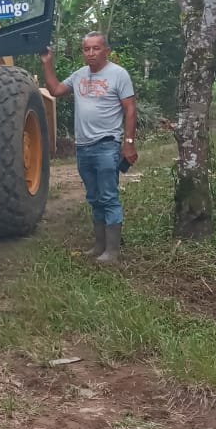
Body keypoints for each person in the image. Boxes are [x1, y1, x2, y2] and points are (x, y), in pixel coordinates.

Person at [40, 31, 138, 263]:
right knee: (94, 197)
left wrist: (128, 143)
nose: (91, 53)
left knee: (108, 196)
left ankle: (112, 251)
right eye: (86, 49)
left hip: (107, 145)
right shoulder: (79, 75)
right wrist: (47, 63)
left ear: (106, 51)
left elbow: (130, 109)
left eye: (96, 48)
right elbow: (55, 90)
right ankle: (99, 245)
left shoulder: (118, 74)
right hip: (83, 147)